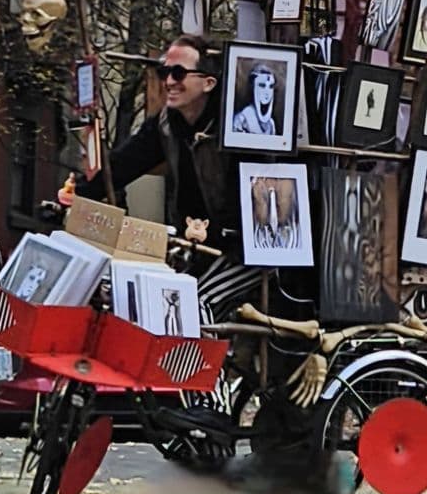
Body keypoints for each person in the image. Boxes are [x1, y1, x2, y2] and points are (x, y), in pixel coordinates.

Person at [75, 35, 261, 323]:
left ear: (209, 83)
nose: (169, 81)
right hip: (195, 244)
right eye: (164, 72)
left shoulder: (236, 127)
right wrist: (77, 192)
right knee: (148, 305)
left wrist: (231, 235)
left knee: (192, 308)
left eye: (179, 73)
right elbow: (121, 165)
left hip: (246, 251)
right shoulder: (166, 124)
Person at [232, 63, 277, 135]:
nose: (267, 92)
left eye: (271, 86)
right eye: (262, 85)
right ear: (253, 88)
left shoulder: (270, 124)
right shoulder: (242, 119)